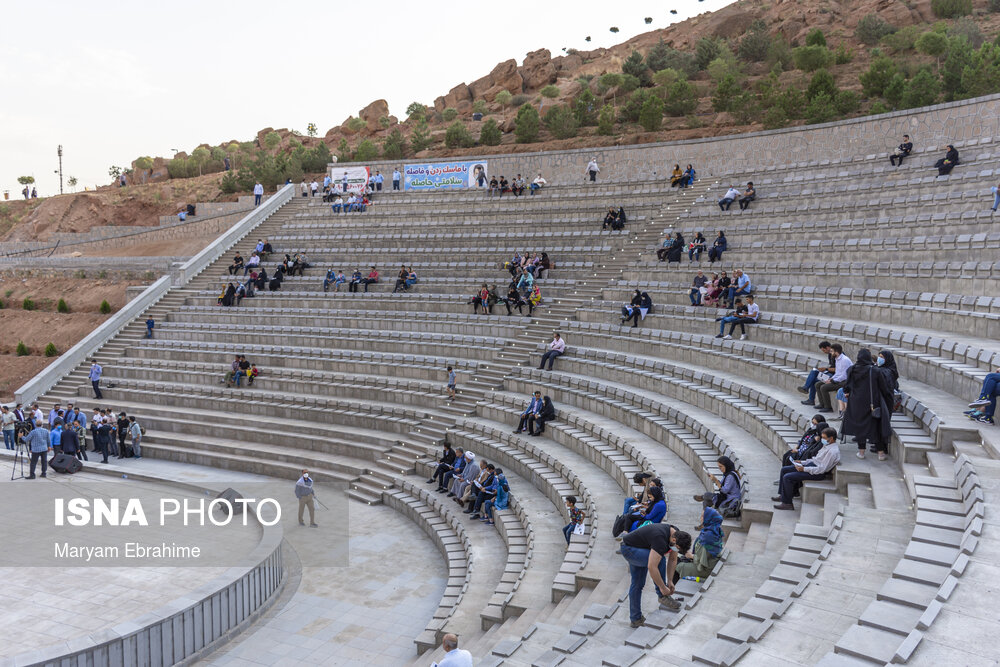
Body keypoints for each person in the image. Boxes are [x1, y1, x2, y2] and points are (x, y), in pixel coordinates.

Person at [620, 523, 691, 626]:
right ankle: (662, 596)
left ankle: (636, 619)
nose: (676, 550)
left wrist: (670, 581)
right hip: (629, 549)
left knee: (638, 584)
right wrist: (662, 587)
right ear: (674, 540)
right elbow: (652, 566)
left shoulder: (676, 533)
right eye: (678, 548)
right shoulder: (660, 539)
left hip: (641, 548)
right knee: (660, 560)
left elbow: (672, 559)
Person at [841, 349, 894, 460]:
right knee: (875, 426)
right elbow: (884, 388)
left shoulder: (852, 369)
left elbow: (846, 387)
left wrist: (848, 393)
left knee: (860, 427)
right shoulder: (875, 370)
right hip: (872, 402)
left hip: (856, 403)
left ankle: (861, 452)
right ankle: (880, 453)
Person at [773, 427, 841, 509]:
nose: (822, 439)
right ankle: (782, 496)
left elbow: (821, 469)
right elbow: (815, 459)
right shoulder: (826, 445)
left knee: (788, 477)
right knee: (784, 470)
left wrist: (804, 469)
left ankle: (787, 504)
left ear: (831, 438)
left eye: (824, 438)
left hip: (817, 473)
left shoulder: (832, 452)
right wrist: (802, 462)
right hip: (812, 466)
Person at [675, 506, 725, 581]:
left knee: (677, 566)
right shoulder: (715, 530)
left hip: (706, 569)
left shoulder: (707, 537)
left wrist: (691, 556)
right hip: (711, 564)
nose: (700, 518)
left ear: (708, 518)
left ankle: (673, 589)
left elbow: (702, 563)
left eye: (703, 516)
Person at [798, 341, 837, 407]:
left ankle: (809, 396)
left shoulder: (837, 355)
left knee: (815, 381)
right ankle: (806, 388)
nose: (824, 352)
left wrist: (826, 369)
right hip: (830, 372)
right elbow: (832, 366)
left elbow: (838, 370)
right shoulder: (830, 354)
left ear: (828, 347)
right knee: (814, 371)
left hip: (835, 376)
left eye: (824, 350)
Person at [816, 344, 852, 413]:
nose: (830, 352)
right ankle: (822, 404)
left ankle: (828, 407)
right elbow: (837, 373)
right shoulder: (837, 359)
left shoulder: (844, 360)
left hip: (845, 382)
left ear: (836, 351)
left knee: (823, 387)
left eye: (832, 351)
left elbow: (844, 376)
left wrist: (833, 380)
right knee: (818, 384)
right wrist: (830, 379)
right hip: (839, 379)